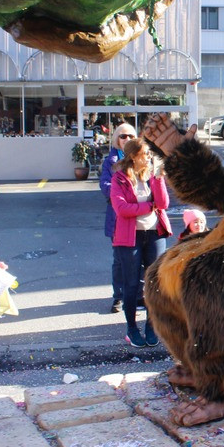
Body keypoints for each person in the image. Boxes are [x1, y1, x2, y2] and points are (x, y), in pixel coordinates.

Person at [110, 137, 172, 348]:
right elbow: (122, 210)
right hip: (129, 237)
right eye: (146, 154)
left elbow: (163, 203)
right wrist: (148, 207)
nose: (149, 157)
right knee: (132, 284)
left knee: (155, 284)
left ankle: (151, 326)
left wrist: (158, 177)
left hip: (154, 234)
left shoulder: (152, 176)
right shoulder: (119, 179)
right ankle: (131, 328)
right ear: (133, 156)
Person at [100, 123, 136, 313]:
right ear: (116, 139)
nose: (127, 139)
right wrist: (125, 195)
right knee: (119, 260)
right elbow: (105, 185)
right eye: (123, 136)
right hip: (118, 216)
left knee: (140, 258)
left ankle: (138, 296)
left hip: (139, 217)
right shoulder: (110, 161)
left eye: (131, 136)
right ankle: (119, 297)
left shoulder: (143, 158)